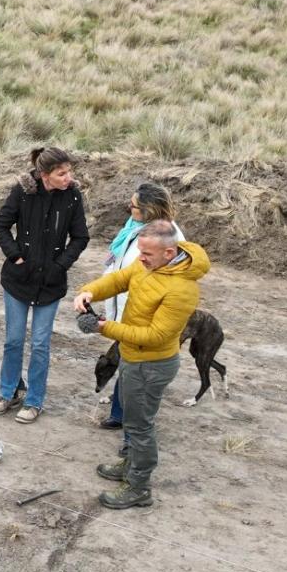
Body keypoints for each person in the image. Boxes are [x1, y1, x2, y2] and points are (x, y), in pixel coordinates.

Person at [73, 220, 211, 510]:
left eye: (146, 253)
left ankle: (139, 487)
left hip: (151, 365)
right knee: (134, 420)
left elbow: (155, 336)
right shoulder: (149, 264)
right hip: (133, 358)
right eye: (140, 251)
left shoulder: (182, 290)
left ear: (169, 253)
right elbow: (119, 279)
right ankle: (131, 466)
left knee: (140, 425)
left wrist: (104, 328)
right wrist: (90, 291)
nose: (140, 258)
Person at [0, 147, 88, 423]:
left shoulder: (73, 196)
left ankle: (34, 401)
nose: (68, 177)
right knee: (13, 340)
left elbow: (81, 237)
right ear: (44, 175)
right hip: (17, 281)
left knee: (41, 344)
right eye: (62, 173)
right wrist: (16, 256)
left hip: (51, 284)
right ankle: (8, 393)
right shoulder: (22, 191)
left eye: (69, 171)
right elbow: (1, 225)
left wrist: (59, 266)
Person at [98, 181, 182, 434]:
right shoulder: (133, 228)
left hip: (143, 313)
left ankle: (133, 432)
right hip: (125, 308)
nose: (128, 208)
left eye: (133, 205)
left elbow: (162, 282)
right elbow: (121, 270)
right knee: (126, 363)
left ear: (149, 209)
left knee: (137, 371)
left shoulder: (167, 237)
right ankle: (119, 415)